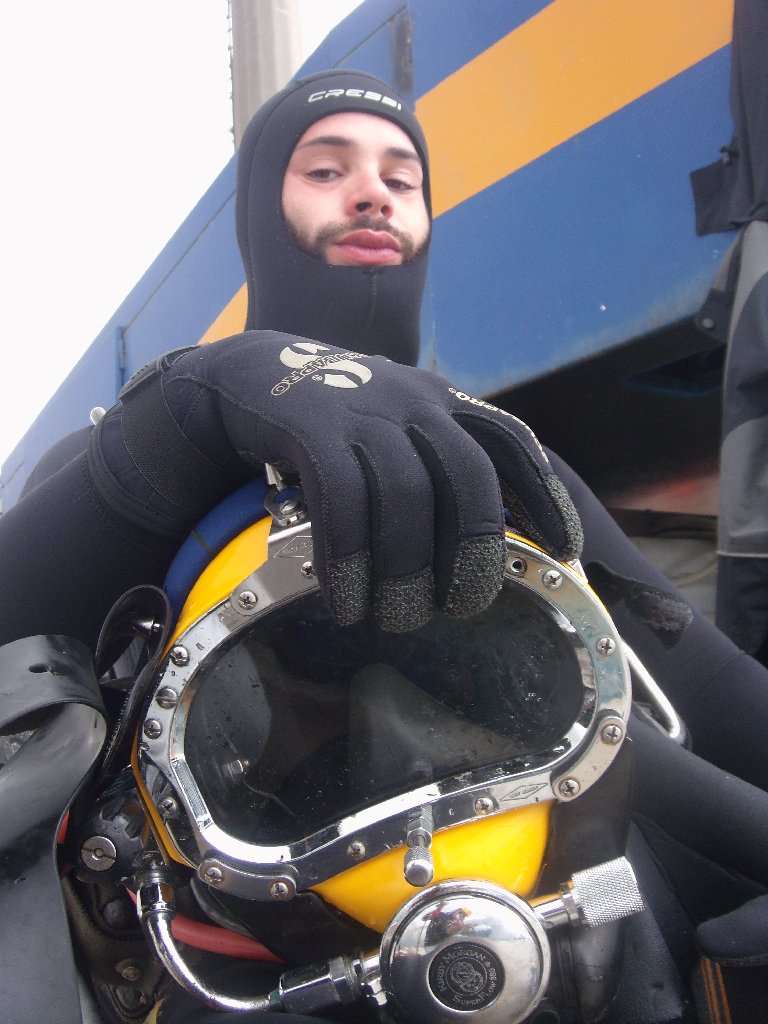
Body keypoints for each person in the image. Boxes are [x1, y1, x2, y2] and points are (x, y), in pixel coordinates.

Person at [2, 69, 768, 1023]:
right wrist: (190, 410)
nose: (372, 193)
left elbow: (713, 690)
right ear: (260, 215)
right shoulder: (132, 450)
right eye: (326, 170)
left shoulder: (511, 462)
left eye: (402, 180)